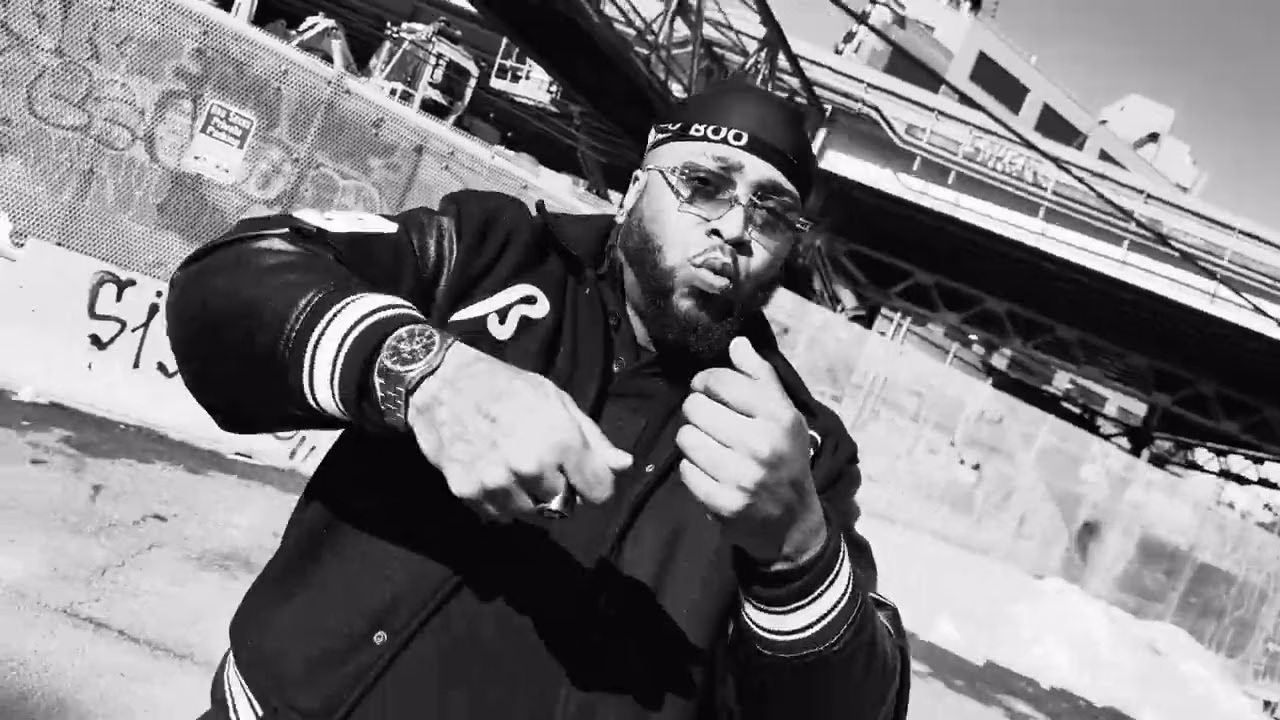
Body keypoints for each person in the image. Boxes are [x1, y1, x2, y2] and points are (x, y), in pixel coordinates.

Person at [169, 78, 910, 720]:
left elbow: (863, 706)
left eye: (771, 211)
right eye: (704, 184)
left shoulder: (799, 445)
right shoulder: (491, 254)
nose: (735, 226)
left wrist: (798, 552)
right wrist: (425, 373)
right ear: (634, 191)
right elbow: (233, 278)